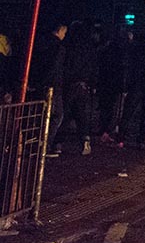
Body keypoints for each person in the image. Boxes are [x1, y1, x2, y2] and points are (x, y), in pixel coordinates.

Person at [28, 22, 67, 157]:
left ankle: (35, 143)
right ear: (60, 30)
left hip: (39, 85)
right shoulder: (59, 48)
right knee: (56, 115)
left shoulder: (41, 43)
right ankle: (45, 145)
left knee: (40, 114)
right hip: (52, 86)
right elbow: (54, 68)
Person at [63, 22, 99, 156]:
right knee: (82, 114)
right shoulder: (90, 48)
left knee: (65, 113)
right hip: (83, 84)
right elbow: (94, 67)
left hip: (70, 83)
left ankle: (57, 143)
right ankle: (85, 140)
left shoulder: (69, 46)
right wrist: (93, 84)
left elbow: (66, 65)